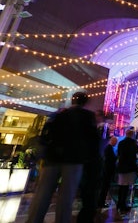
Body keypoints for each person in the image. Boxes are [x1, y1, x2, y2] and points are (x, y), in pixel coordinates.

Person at [26, 92, 98, 223]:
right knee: (66, 196)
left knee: (43, 193)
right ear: (85, 102)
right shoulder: (88, 116)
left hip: (52, 158)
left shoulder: (60, 114)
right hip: (74, 159)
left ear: (72, 100)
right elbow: (93, 140)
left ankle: (33, 220)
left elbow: (46, 133)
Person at [116, 128, 138, 214]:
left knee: (121, 186)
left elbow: (118, 154)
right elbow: (137, 151)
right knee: (126, 187)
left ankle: (119, 203)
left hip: (121, 167)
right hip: (130, 167)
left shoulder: (121, 143)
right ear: (132, 135)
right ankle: (123, 205)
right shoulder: (133, 143)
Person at [97, 136, 118, 208]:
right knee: (104, 187)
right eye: (115, 142)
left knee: (104, 187)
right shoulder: (109, 148)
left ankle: (101, 202)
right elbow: (111, 159)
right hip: (107, 170)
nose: (116, 143)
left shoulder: (108, 148)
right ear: (113, 141)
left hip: (106, 170)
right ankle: (101, 203)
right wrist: (117, 156)